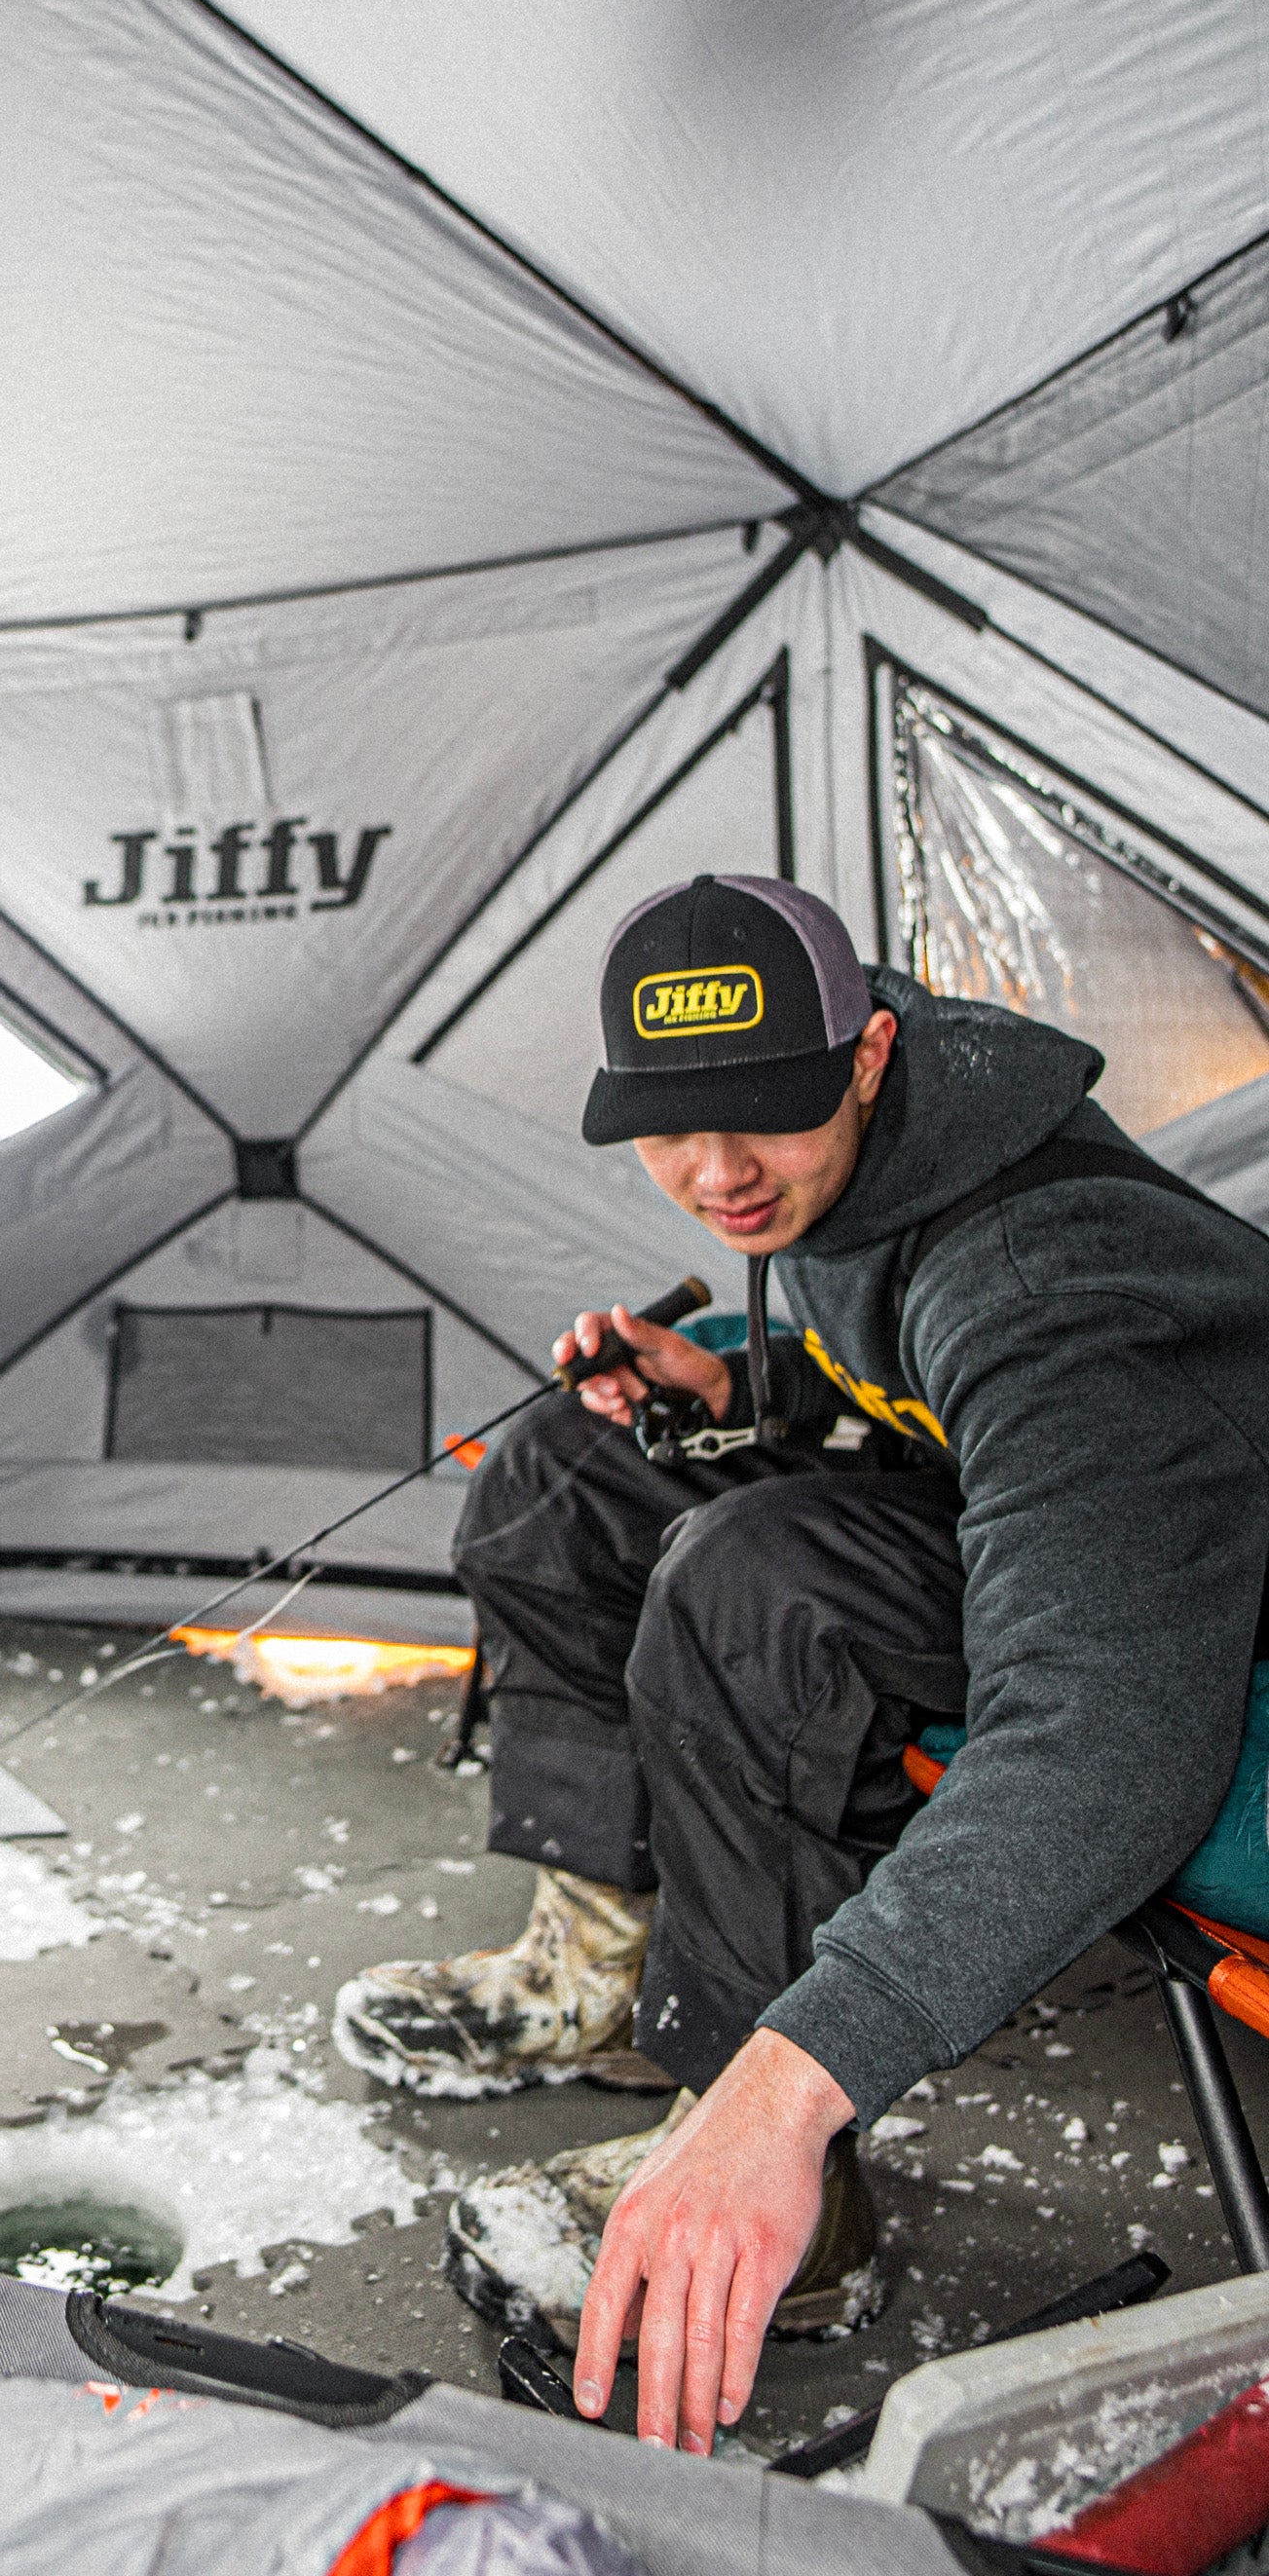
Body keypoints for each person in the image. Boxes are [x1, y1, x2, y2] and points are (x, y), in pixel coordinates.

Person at [333, 872, 1269, 2453]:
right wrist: (731, 1388)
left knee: (759, 1584)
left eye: (764, 1113)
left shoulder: (1056, 1275)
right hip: (1022, 1526)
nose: (717, 1175)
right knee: (568, 1469)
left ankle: (780, 2190)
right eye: (671, 1125)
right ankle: (600, 1977)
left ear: (871, 1050)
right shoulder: (866, 1174)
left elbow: (1106, 1730)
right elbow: (901, 1371)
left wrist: (804, 2072)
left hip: (1198, 1630)